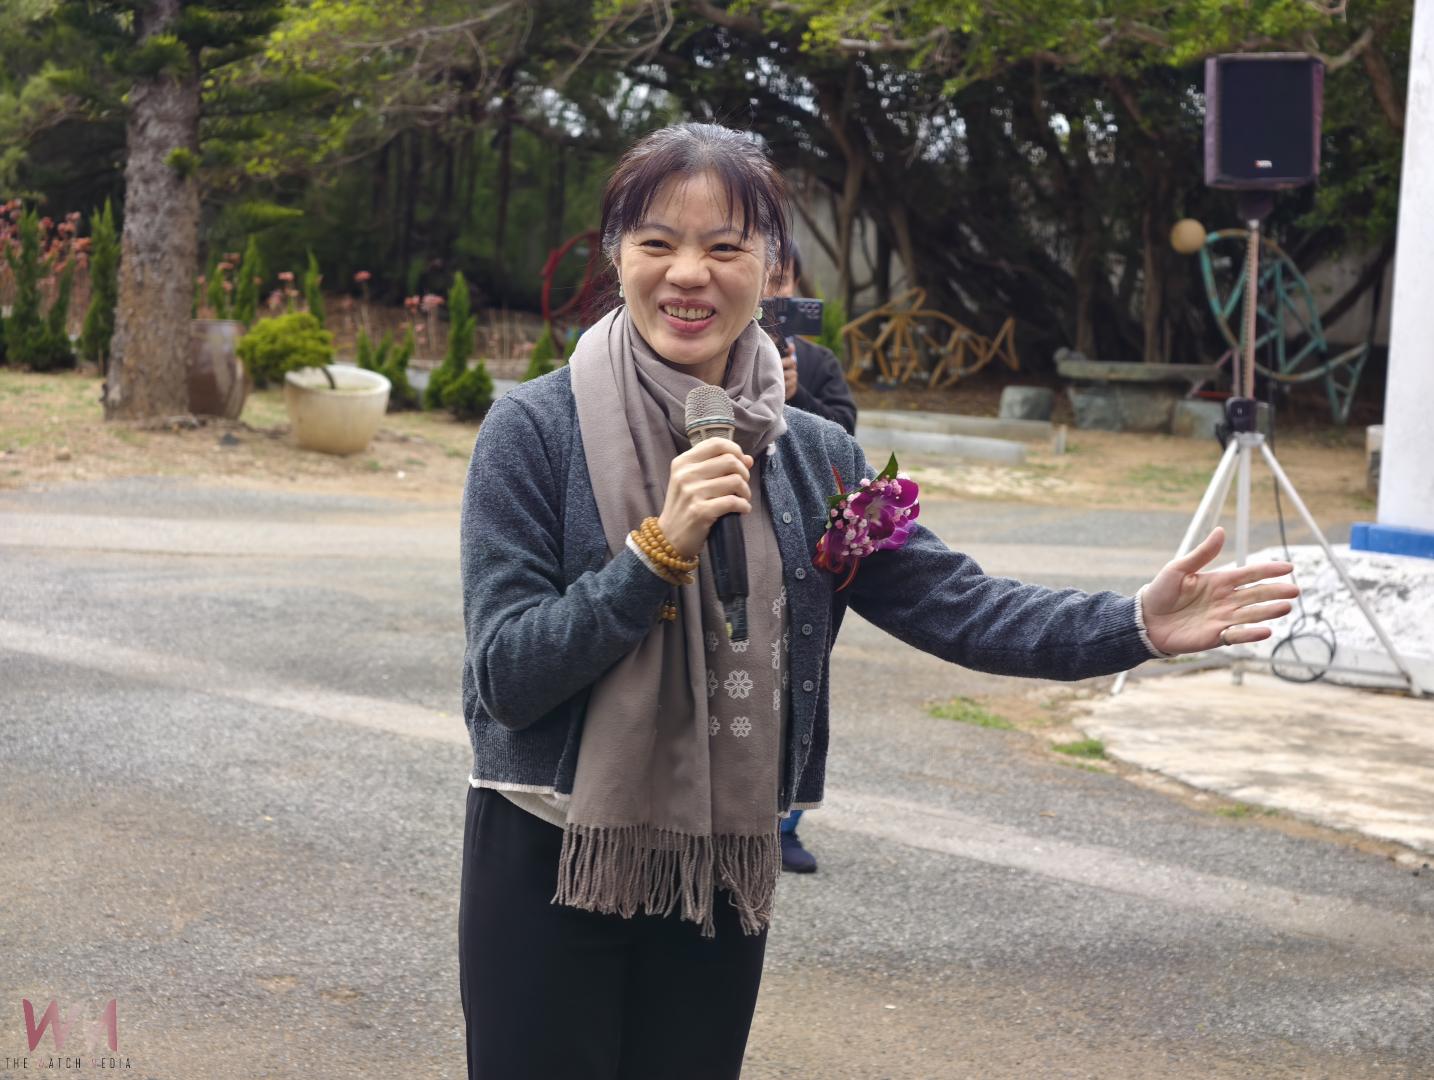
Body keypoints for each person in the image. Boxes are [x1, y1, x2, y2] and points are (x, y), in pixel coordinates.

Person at [457, 121, 1298, 1080]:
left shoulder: (816, 456)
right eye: (658, 242)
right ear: (618, 256)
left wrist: (1133, 624)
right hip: (548, 849)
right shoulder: (533, 430)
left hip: (720, 862)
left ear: (771, 268)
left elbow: (959, 604)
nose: (689, 274)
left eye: (725, 247)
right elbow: (507, 677)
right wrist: (657, 552)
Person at [764, 242, 856, 872]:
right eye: (765, 274)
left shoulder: (817, 361)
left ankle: (787, 820)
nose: (773, 289)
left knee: (802, 680)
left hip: (808, 539)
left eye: (783, 278)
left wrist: (797, 395)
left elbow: (845, 438)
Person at [769, 243, 857, 437]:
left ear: (795, 284)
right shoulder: (717, 356)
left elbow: (846, 431)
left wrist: (796, 394)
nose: (768, 291)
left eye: (779, 280)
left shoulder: (822, 362)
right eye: (761, 278)